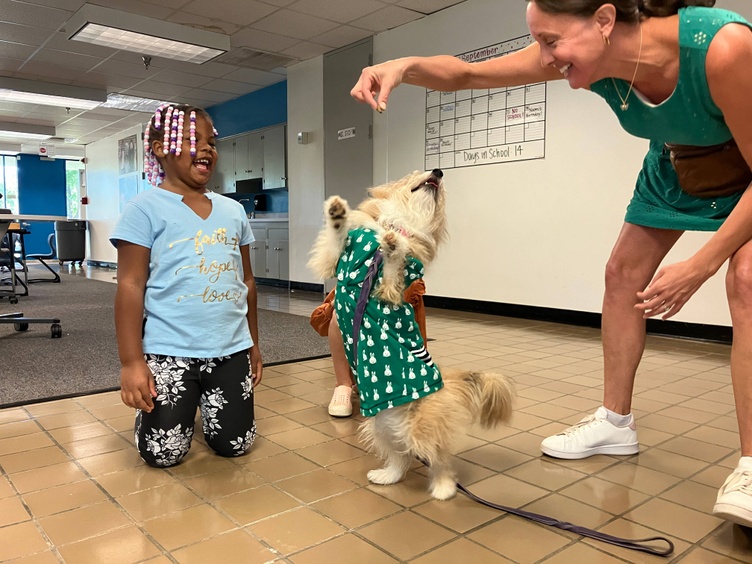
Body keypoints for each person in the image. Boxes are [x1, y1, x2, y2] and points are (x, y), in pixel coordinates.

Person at [350, 0, 752, 527]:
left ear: (604, 22)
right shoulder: (596, 56)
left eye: (551, 41)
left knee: (745, 279)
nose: (544, 57)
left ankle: (751, 466)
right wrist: (402, 66)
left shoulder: (724, 49)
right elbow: (468, 74)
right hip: (678, 160)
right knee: (621, 274)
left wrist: (700, 263)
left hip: (744, 163)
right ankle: (615, 422)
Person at [111, 104, 263, 468]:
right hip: (170, 349)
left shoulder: (233, 210)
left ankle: (207, 410)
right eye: (195, 140)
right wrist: (131, 362)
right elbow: (130, 285)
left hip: (230, 349)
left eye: (212, 141)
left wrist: (253, 345)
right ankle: (173, 413)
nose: (208, 148)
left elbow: (246, 281)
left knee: (236, 444)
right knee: (162, 455)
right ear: (161, 148)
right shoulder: (144, 209)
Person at [311, 280, 429, 417]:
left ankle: (383, 382)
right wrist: (337, 302)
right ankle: (344, 385)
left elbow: (416, 329)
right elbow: (319, 320)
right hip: (359, 361)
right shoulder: (352, 272)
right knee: (340, 314)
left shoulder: (407, 279)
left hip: (394, 366)